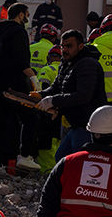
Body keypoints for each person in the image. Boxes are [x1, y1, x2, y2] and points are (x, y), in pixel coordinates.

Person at [35, 29, 107, 160]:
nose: (64, 50)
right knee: (62, 158)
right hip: (74, 123)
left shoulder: (87, 64)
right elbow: (56, 87)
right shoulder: (67, 63)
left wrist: (53, 101)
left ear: (80, 46)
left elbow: (84, 95)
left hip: (87, 124)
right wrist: (40, 95)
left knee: (77, 161)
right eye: (62, 46)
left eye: (69, 46)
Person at [0, 3, 41, 174]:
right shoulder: (18, 32)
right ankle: (25, 156)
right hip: (13, 84)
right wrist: (33, 78)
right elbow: (20, 60)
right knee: (30, 117)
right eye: (26, 14)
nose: (27, 18)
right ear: (20, 15)